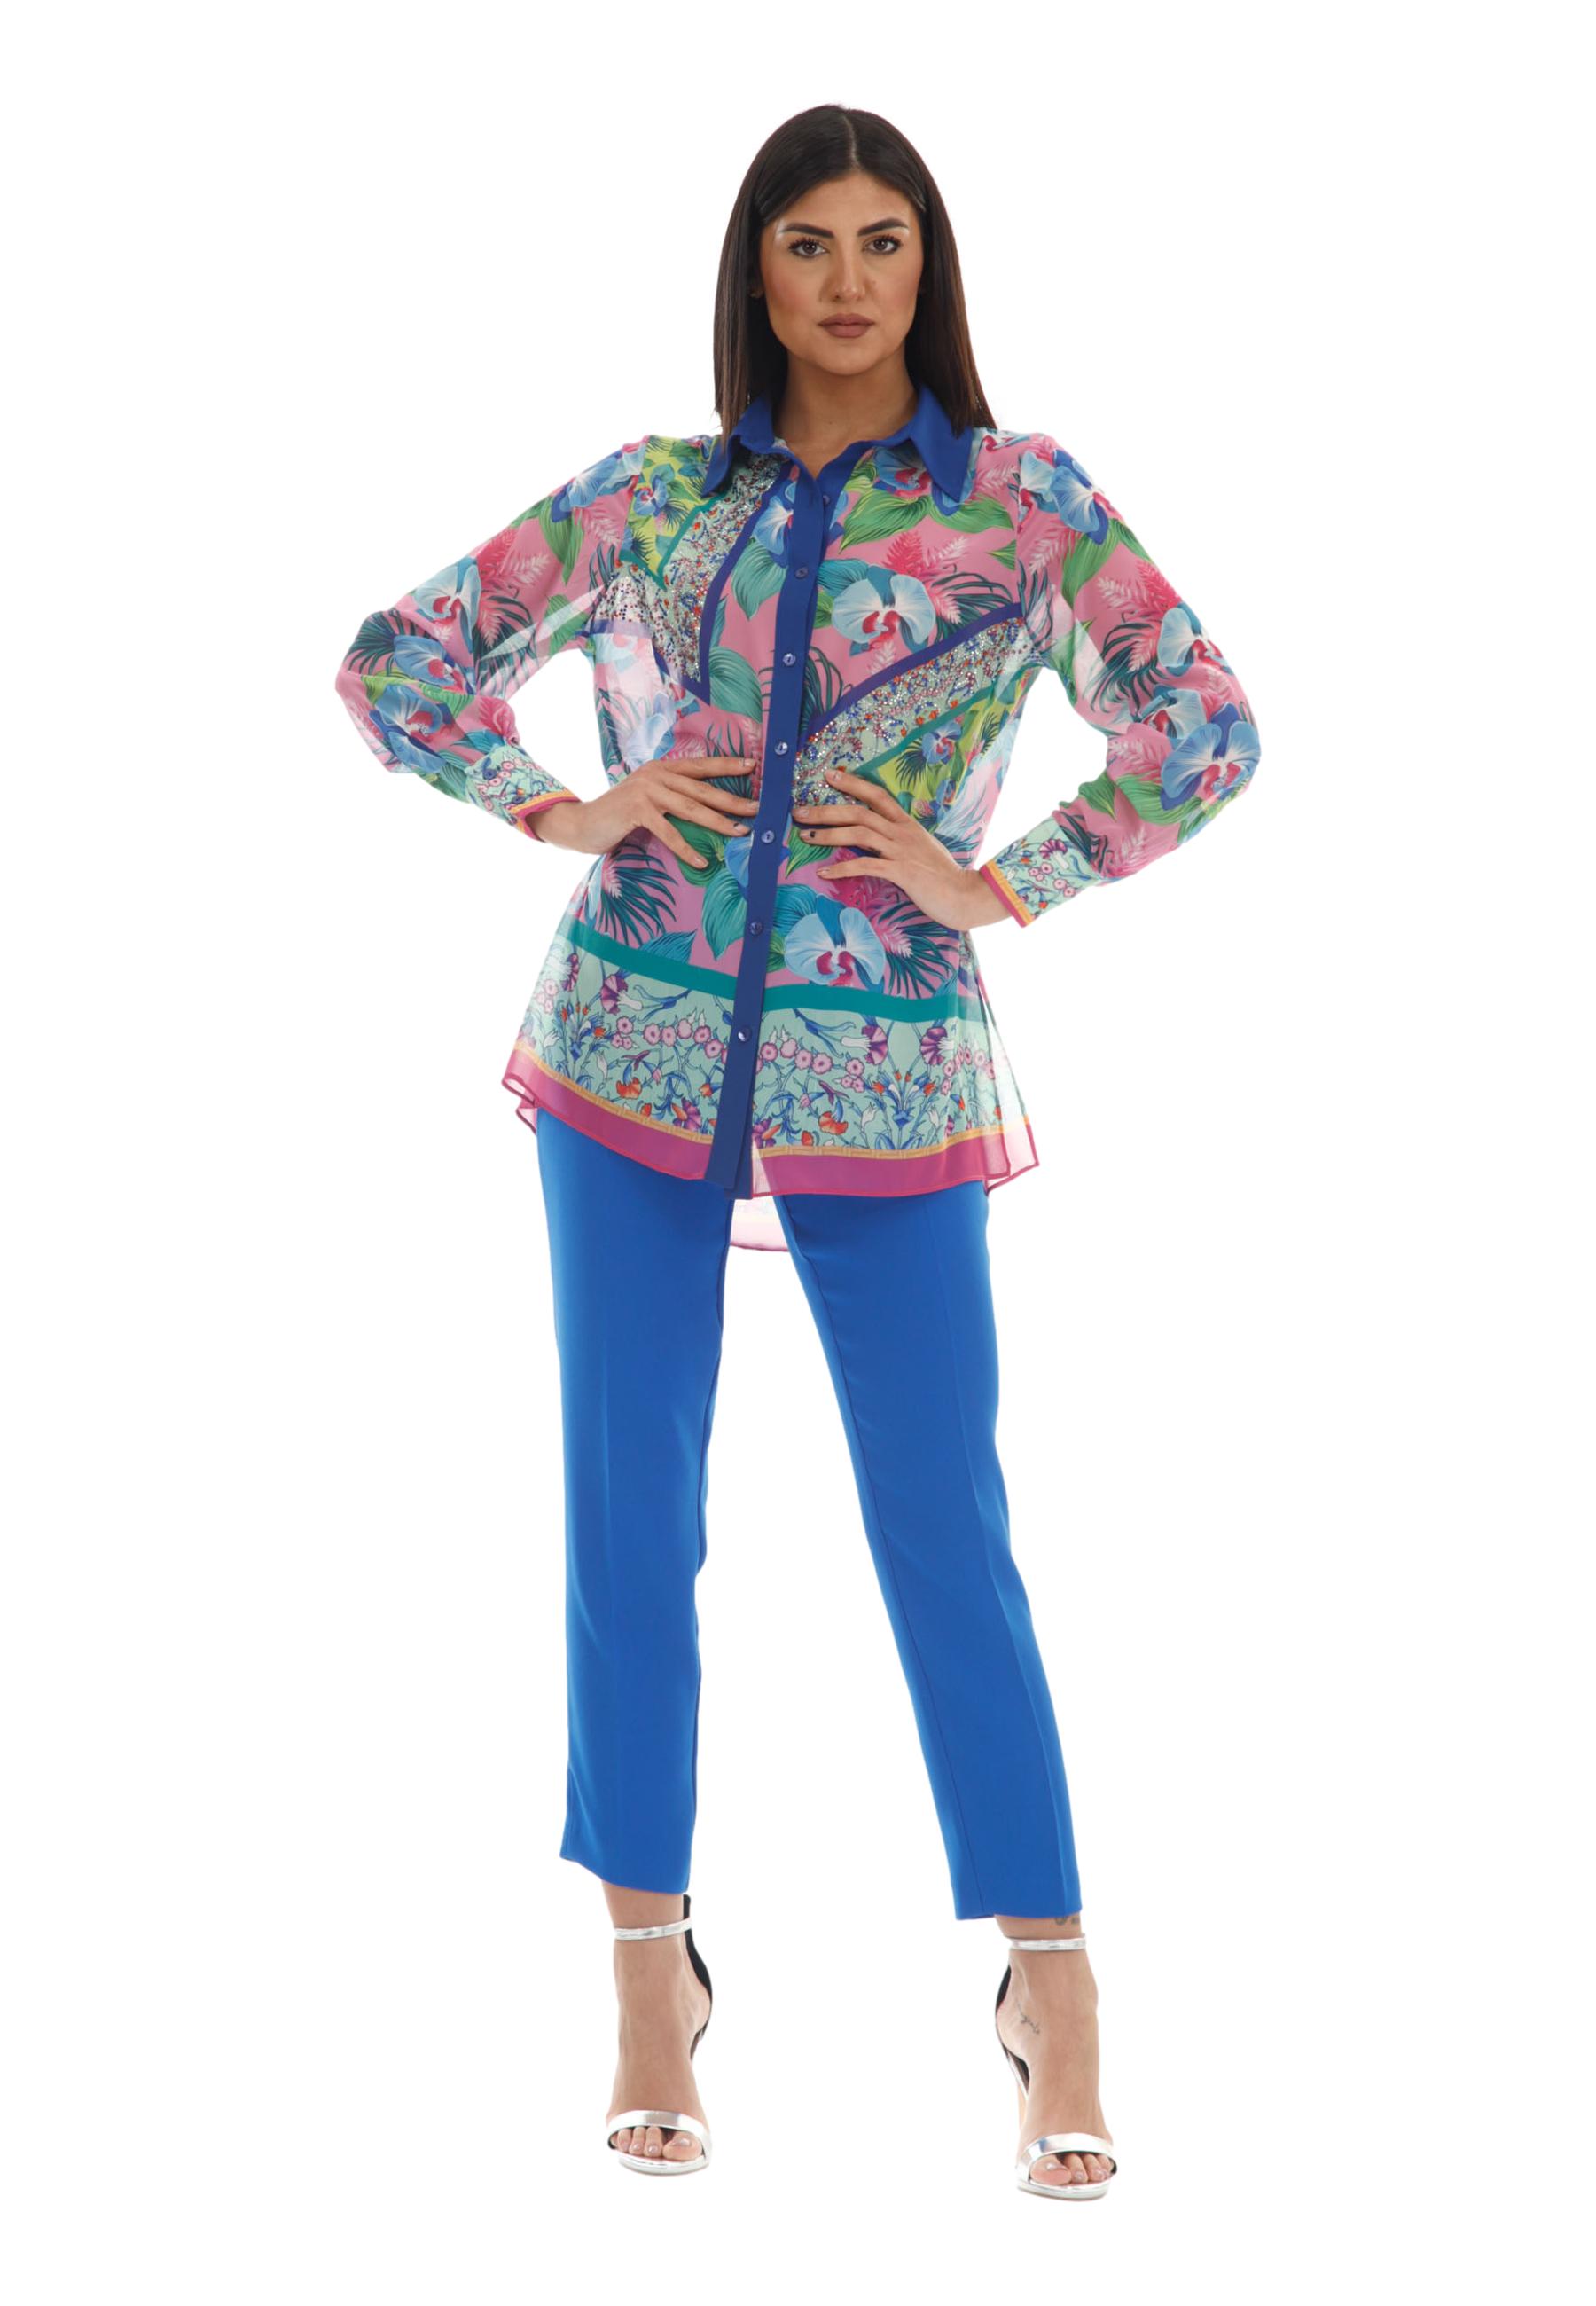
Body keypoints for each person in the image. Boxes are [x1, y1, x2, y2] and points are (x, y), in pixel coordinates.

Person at [333, 102, 1260, 2197]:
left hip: (890, 1075)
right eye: (809, 242)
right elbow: (399, 658)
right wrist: (561, 805)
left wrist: (1005, 881)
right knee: (626, 1511)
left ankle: (1053, 1986)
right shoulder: (655, 499)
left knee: (945, 1518)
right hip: (627, 1055)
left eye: (885, 240)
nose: (849, 280)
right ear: (755, 267)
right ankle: (647, 1976)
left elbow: (1205, 722)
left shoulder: (1022, 508)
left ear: (932, 266)